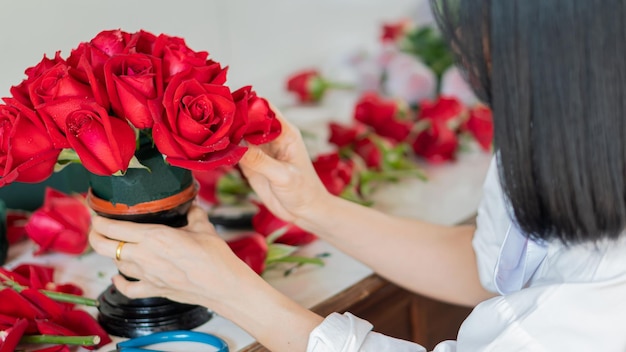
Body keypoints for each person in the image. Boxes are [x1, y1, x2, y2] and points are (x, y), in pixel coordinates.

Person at [89, 0, 626, 350]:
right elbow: (501, 266)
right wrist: (311, 206)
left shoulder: (600, 303)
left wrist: (230, 291)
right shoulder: (574, 124)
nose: (465, 47)